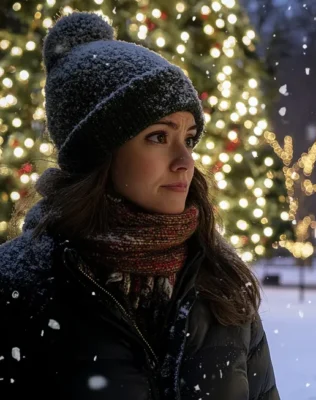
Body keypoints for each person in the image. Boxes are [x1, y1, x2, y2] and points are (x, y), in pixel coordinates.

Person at [0, 12, 279, 399]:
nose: (185, 161)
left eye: (189, 137)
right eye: (159, 137)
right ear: (100, 153)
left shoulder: (220, 282)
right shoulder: (20, 287)